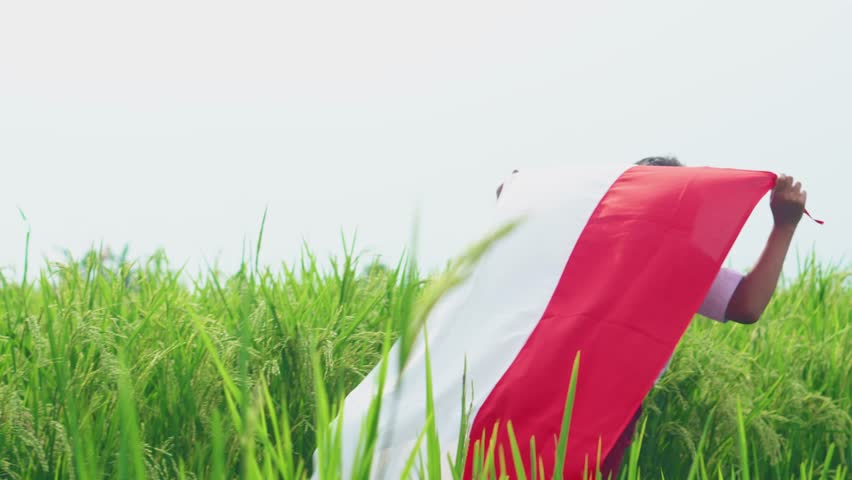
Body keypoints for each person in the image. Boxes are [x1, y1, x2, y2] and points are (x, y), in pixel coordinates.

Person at [596, 156, 809, 478]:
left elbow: (746, 306)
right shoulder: (589, 242)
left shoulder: (676, 262)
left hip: (613, 405)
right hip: (553, 384)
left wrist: (785, 225)